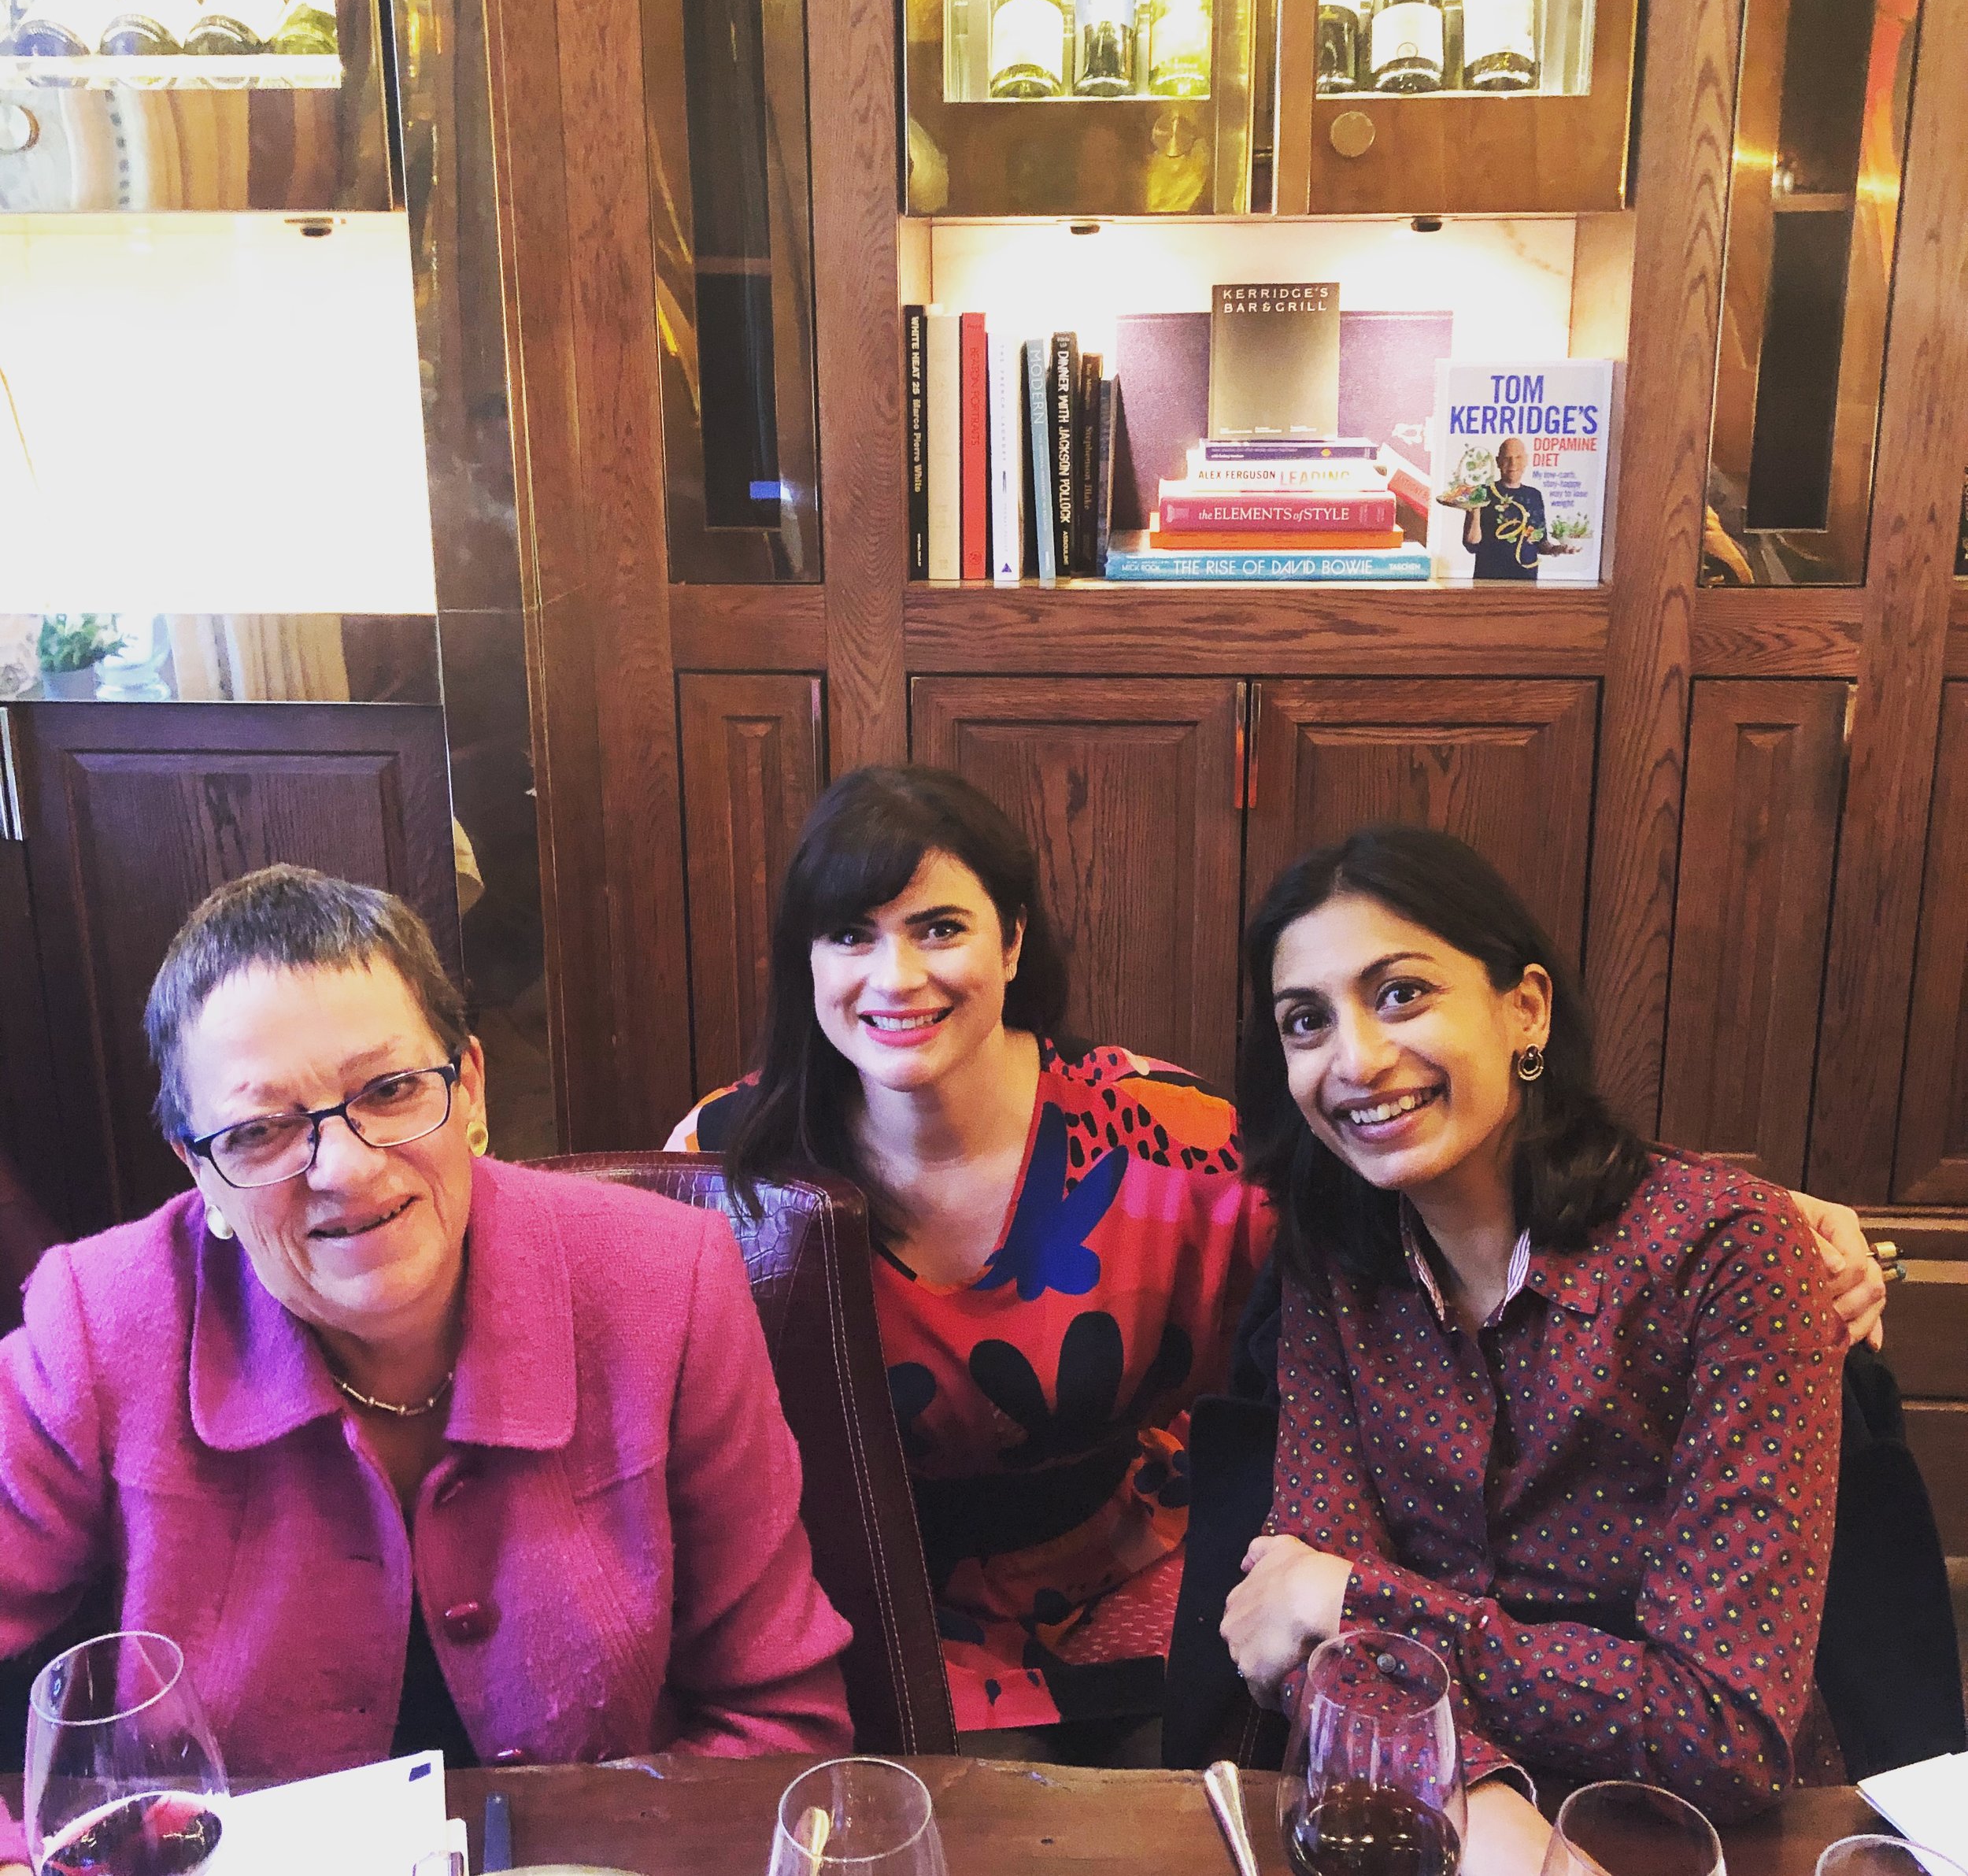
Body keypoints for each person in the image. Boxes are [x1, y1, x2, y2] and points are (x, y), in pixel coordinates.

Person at [0, 866, 849, 1871]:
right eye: (262, 1128)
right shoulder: (98, 1326)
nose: (348, 1167)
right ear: (199, 1169)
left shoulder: (669, 1285)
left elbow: (783, 1716)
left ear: (473, 1089)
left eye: (393, 1088)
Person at [1221, 825, 1850, 1856]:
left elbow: (1723, 1732)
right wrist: (1474, 1793)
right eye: (1305, 1022)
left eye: (1401, 994)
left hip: (1687, 1834)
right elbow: (1296, 1629)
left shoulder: (1725, 1254)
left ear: (1527, 1009)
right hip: (1416, 1820)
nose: (1357, 1058)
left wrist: (1356, 1595)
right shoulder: (1331, 1264)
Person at [669, 766, 1274, 1758]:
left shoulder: (1176, 1139)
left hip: (1125, 1564)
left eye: (940, 928)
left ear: (1014, 938)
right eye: (851, 934)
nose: (895, 976)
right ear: (806, 961)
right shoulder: (721, 1162)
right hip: (848, 1592)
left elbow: (1304, 1372)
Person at [1457, 437, 1576, 582]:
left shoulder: (1534, 496)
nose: (1513, 463)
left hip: (1526, 580)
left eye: (1518, 457)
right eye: (1507, 458)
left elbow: (1540, 542)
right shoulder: (1482, 493)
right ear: (1498, 461)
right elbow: (1471, 545)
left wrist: (1556, 549)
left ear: (1526, 460)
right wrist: (1474, 510)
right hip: (1489, 580)